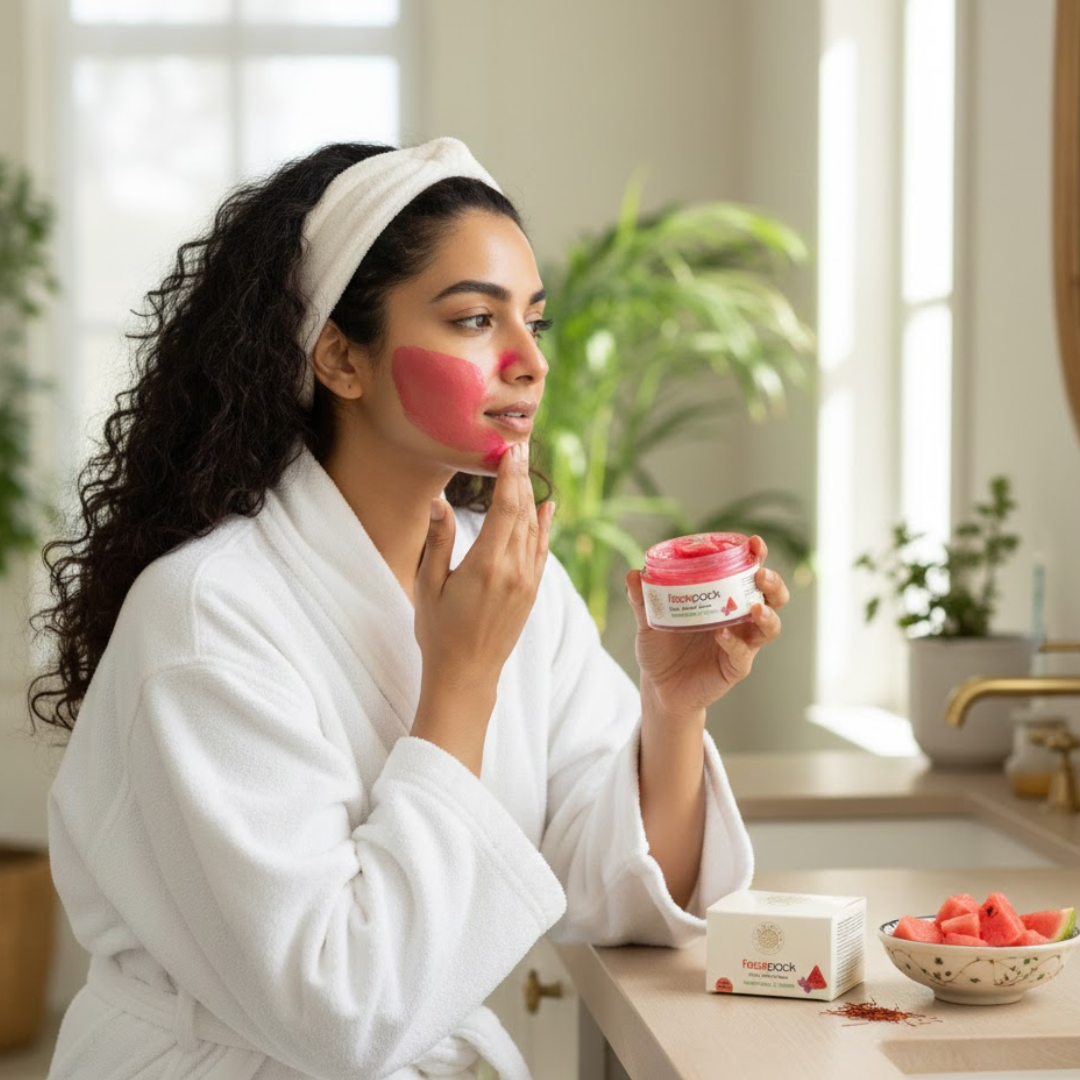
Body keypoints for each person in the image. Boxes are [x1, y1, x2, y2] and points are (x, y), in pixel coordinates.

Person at [32, 137, 789, 1080]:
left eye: (535, 324)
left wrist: (673, 709)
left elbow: (624, 895)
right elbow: (340, 1013)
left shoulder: (509, 579)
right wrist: (461, 678)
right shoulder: (204, 618)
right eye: (475, 319)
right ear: (342, 358)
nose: (528, 361)